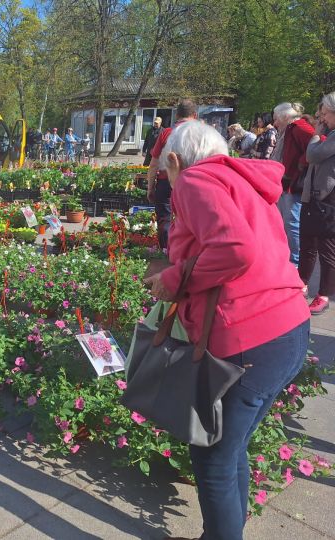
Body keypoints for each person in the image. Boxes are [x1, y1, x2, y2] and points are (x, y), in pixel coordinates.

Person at [146, 120, 309, 540]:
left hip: (249, 335)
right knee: (230, 448)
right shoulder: (240, 179)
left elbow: (235, 248)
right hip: (287, 327)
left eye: (166, 170)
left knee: (212, 458)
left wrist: (172, 279)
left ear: (177, 160)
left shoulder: (195, 181)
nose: (167, 179)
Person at [299, 93, 335, 314]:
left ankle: (323, 294)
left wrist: (316, 134)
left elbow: (312, 155)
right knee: (308, 244)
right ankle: (300, 284)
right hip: (315, 197)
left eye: (324, 114)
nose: (321, 119)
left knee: (327, 250)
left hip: (327, 199)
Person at [147, 99, 198, 249]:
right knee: (191, 217)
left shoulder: (166, 133)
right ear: (194, 115)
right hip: (193, 182)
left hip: (166, 181)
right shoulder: (201, 134)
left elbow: (154, 163)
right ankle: (188, 252)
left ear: (176, 115)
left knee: (165, 218)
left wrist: (150, 188)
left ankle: (166, 250)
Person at [272, 102, 316, 266]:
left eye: (276, 119)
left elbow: (319, 141)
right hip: (286, 182)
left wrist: (301, 162)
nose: (275, 123)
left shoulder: (298, 127)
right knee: (285, 222)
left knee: (292, 223)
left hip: (293, 184)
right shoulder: (291, 129)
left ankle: (295, 261)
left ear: (284, 117)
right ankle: (288, 258)